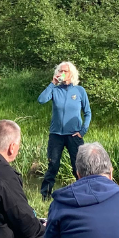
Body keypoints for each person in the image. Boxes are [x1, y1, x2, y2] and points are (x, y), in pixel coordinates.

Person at [37, 61, 91, 200]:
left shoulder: (79, 91)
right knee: (53, 165)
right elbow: (41, 100)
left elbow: (88, 113)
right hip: (56, 135)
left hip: (74, 135)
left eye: (65, 71)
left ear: (71, 73)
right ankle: (45, 196)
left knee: (78, 165)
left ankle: (84, 195)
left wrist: (83, 130)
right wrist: (52, 84)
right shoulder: (55, 90)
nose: (61, 73)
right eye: (60, 71)